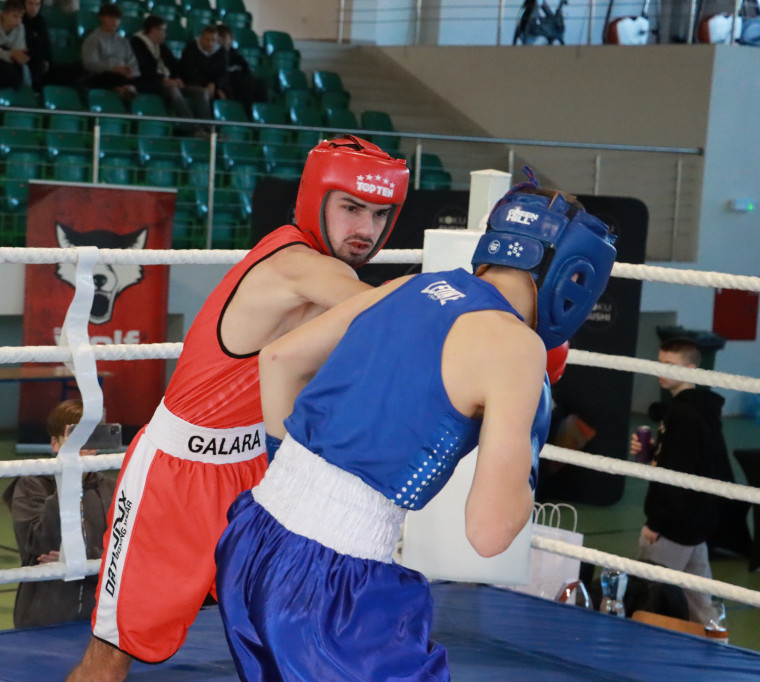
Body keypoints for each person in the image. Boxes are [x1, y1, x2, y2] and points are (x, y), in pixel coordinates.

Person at [214, 175, 617, 681]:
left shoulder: (418, 283)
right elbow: (490, 534)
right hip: (333, 587)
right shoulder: (517, 349)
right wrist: (532, 433)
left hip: (253, 534)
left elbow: (279, 357)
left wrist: (287, 473)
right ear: (575, 277)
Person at [66, 135, 410, 681]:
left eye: (379, 214)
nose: (365, 230)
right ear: (317, 200)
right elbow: (391, 309)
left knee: (291, 641)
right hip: (174, 483)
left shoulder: (324, 274)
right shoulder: (297, 264)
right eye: (351, 208)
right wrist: (491, 310)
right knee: (111, 655)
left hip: (256, 476)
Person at [630, 338, 731, 624]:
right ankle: (715, 648)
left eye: (669, 365)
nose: (661, 370)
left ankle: (636, 657)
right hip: (696, 523)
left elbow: (677, 476)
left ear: (690, 368)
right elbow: (685, 462)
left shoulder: (684, 414)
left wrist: (657, 522)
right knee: (701, 605)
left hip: (674, 525)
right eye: (660, 362)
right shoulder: (701, 409)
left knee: (645, 597)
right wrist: (652, 454)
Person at [3, 399, 116, 628]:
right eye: (74, 435)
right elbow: (40, 544)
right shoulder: (31, 483)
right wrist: (69, 482)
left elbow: (124, 552)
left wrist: (79, 558)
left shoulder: (112, 488)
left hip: (100, 617)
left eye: (89, 434)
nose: (83, 443)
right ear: (56, 444)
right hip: (45, 615)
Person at [130, 15, 210, 132]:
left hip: (168, 81)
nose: (165, 34)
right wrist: (163, 79)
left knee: (201, 92)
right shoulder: (137, 44)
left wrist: (177, 78)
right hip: (150, 83)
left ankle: (207, 128)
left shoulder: (161, 46)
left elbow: (173, 64)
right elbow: (143, 69)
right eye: (163, 30)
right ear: (154, 30)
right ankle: (192, 128)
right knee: (173, 90)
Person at [80, 3, 138, 97]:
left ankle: (123, 88)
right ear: (102, 18)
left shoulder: (123, 42)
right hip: (103, 75)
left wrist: (130, 71)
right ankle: (123, 89)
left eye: (117, 18)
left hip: (123, 76)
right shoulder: (93, 39)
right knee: (112, 77)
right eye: (111, 18)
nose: (115, 22)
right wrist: (113, 68)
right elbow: (89, 64)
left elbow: (132, 61)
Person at [215, 24, 267, 116]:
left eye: (224, 37)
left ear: (231, 39)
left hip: (239, 82)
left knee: (260, 83)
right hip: (225, 83)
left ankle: (261, 114)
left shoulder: (235, 55)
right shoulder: (214, 55)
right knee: (245, 82)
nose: (222, 40)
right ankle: (245, 114)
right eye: (220, 37)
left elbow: (245, 69)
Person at [178, 25, 228, 108]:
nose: (210, 43)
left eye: (213, 40)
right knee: (204, 93)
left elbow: (223, 73)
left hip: (214, 85)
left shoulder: (221, 52)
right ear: (201, 38)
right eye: (207, 40)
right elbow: (189, 72)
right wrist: (208, 85)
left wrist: (215, 84)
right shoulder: (191, 49)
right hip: (194, 84)